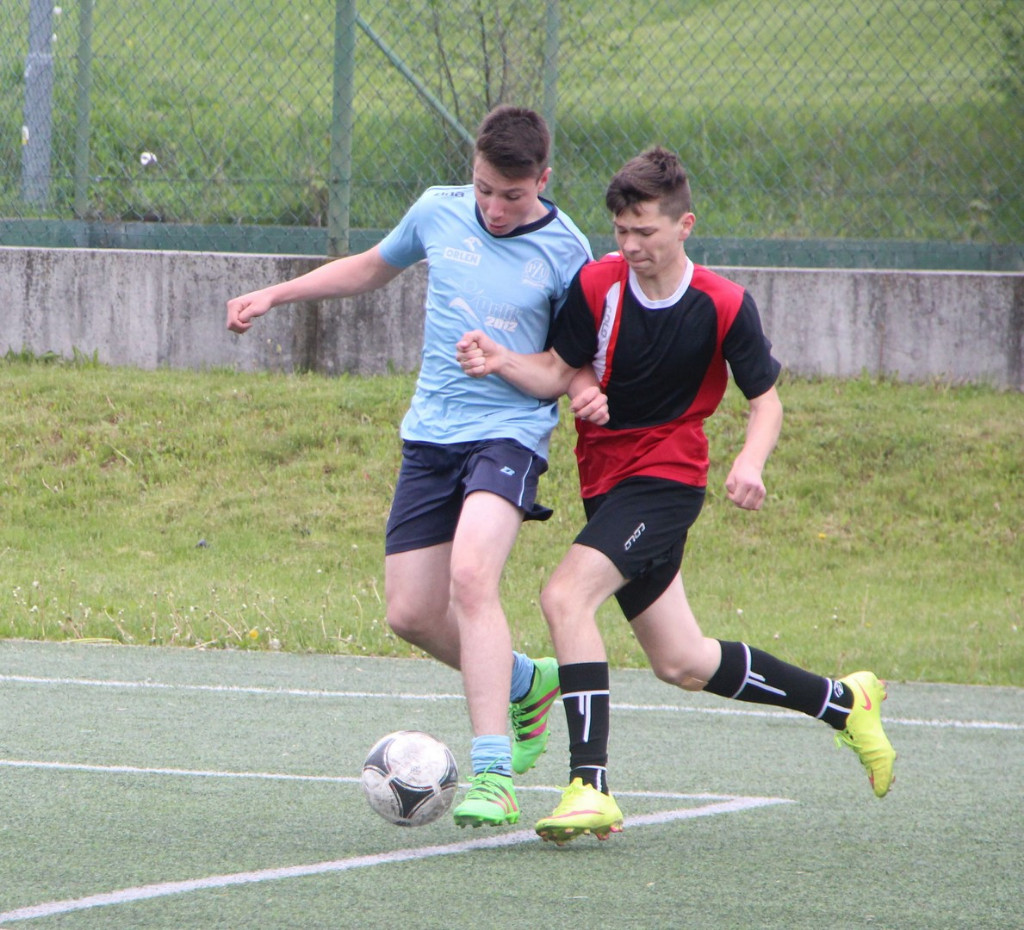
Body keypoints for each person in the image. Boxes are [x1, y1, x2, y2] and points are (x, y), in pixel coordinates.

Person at [456, 146, 896, 844]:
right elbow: (558, 370)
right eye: (621, 232)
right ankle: (844, 702)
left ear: (684, 225)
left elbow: (766, 401)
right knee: (682, 661)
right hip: (606, 481)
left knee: (564, 597)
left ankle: (590, 785)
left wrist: (750, 461)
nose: (631, 246)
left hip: (666, 480)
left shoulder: (723, 304)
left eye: (645, 232)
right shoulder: (598, 284)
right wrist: (507, 361)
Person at [227, 104, 605, 828]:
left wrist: (528, 370)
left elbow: (565, 366)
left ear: (544, 180)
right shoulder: (438, 210)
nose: (494, 208)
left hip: (510, 435)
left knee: (472, 577)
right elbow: (372, 266)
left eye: (512, 195)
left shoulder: (568, 251)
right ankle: (525, 683)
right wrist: (276, 292)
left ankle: (494, 774)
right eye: (484, 189)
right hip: (431, 437)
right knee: (409, 613)